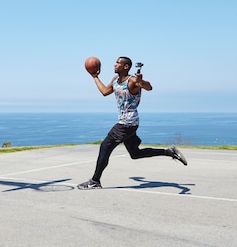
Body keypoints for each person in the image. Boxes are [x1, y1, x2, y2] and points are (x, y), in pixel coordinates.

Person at [78, 56, 187, 190]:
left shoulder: (133, 81)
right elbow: (105, 92)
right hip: (130, 123)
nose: (114, 64)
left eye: (118, 63)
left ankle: (95, 181)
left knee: (105, 146)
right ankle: (168, 152)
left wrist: (142, 82)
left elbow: (149, 87)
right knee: (135, 154)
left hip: (127, 123)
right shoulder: (116, 80)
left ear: (126, 67)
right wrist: (94, 77)